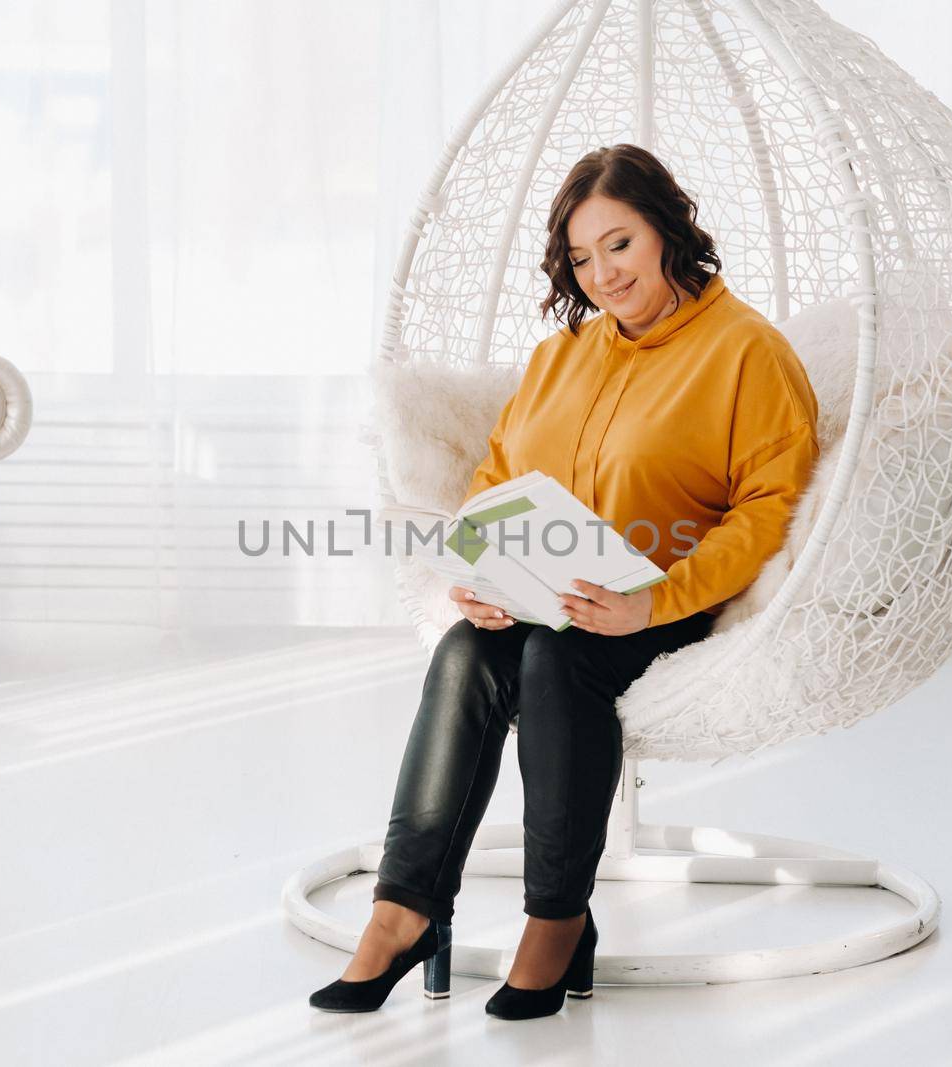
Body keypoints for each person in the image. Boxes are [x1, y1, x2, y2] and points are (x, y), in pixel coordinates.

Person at [309, 144, 821, 1019]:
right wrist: (480, 573)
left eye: (618, 245)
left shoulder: (747, 352)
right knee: (469, 652)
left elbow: (769, 510)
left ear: (666, 231)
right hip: (548, 591)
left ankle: (555, 922)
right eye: (582, 259)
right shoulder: (561, 357)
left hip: (667, 596)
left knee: (560, 659)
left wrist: (651, 600)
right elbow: (496, 479)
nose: (603, 275)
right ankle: (403, 912)